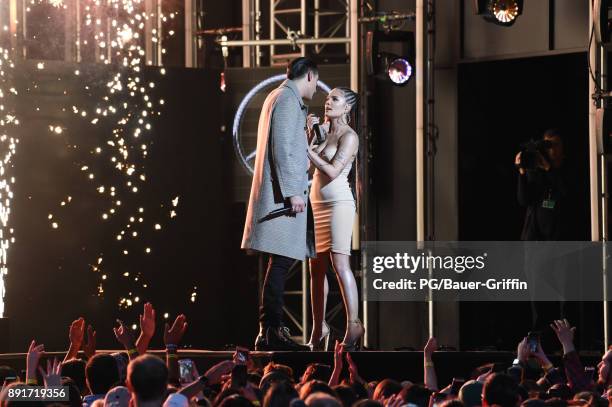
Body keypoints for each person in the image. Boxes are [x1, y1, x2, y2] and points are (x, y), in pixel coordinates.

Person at [242, 57, 319, 351]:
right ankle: (271, 332)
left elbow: (291, 146)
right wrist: (292, 192)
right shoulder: (287, 99)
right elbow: (282, 149)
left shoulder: (280, 96)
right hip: (281, 200)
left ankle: (269, 331)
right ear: (310, 76)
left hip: (279, 197)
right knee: (281, 262)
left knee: (280, 262)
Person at [305, 87, 361, 351]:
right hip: (316, 202)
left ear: (347, 107)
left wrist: (308, 150)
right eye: (327, 98)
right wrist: (310, 136)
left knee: (340, 264)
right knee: (315, 267)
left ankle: (354, 324)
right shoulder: (323, 131)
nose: (328, 102)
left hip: (338, 203)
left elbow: (334, 170)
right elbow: (307, 167)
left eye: (334, 99)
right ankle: (318, 328)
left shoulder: (350, 137)